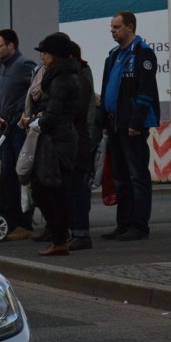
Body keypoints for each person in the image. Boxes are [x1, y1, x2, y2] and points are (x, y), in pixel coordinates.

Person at [100, 11, 160, 241]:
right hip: (115, 124)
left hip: (132, 125)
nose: (113, 31)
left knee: (137, 176)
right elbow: (107, 90)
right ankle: (123, 224)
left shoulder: (142, 53)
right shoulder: (113, 56)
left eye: (116, 27)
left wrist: (136, 122)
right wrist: (104, 121)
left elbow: (145, 91)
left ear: (130, 27)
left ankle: (139, 225)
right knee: (120, 178)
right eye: (111, 27)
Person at [27, 34, 83, 256]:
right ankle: (59, 236)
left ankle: (60, 238)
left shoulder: (61, 79)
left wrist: (35, 121)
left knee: (50, 190)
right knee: (46, 189)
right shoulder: (60, 75)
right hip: (56, 138)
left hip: (57, 141)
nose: (43, 57)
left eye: (46, 52)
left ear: (56, 55)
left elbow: (54, 114)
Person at [0, 29, 38, 241]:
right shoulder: (4, 68)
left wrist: (15, 113)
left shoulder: (24, 65)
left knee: (21, 175)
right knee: (7, 175)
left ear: (11, 45)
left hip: (19, 129)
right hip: (6, 130)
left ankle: (24, 222)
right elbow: (1, 98)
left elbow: (32, 95)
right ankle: (11, 221)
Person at [66, 42, 96, 251]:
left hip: (76, 140)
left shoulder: (77, 79)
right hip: (75, 138)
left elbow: (81, 114)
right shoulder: (73, 78)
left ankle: (80, 232)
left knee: (77, 186)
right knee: (73, 187)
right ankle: (75, 230)